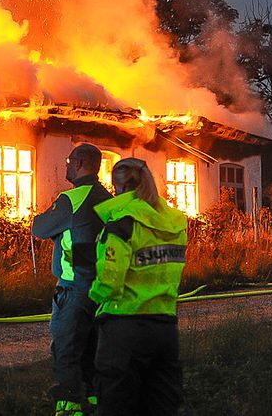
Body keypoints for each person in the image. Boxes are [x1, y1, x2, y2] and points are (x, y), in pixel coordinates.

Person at [90, 158, 188, 416]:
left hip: (124, 328)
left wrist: (93, 299)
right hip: (165, 328)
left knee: (116, 405)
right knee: (161, 406)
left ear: (118, 187)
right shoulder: (175, 223)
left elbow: (110, 280)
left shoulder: (122, 222)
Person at [32, 144, 113, 416]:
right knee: (92, 345)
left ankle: (68, 406)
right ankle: (91, 399)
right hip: (101, 288)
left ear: (80, 163)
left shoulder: (72, 199)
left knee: (66, 347)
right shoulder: (108, 199)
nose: (66, 165)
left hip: (73, 287)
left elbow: (40, 228)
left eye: (69, 161)